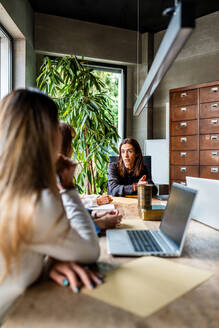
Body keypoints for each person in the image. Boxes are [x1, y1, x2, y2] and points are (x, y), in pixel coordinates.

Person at [0, 89, 101, 322]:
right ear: (47, 135)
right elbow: (89, 249)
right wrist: (67, 187)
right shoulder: (36, 202)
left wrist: (49, 259)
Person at [58, 121, 122, 231]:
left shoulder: (57, 175)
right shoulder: (51, 180)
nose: (73, 149)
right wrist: (101, 223)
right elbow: (61, 226)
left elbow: (67, 210)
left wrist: (93, 214)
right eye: (71, 144)